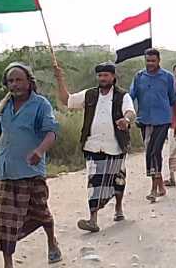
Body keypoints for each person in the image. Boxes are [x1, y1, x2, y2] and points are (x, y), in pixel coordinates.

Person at [0, 62, 62, 267]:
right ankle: (8, 262)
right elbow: (1, 135)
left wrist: (39, 150)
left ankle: (52, 242)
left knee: (41, 212)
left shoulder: (40, 104)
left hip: (31, 170)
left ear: (29, 82)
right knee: (5, 221)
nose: (14, 84)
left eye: (19, 80)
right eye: (10, 81)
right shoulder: (4, 106)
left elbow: (51, 132)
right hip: (6, 170)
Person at [54, 62, 136, 233]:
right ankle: (93, 220)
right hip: (93, 145)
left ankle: (118, 208)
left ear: (113, 77)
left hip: (115, 146)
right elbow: (66, 100)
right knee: (94, 183)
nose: (102, 79)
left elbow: (130, 112)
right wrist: (59, 79)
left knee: (118, 180)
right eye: (100, 76)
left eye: (106, 75)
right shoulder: (90, 95)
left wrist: (126, 121)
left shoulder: (122, 96)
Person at [130, 49, 176, 203]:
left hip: (162, 120)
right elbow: (130, 97)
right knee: (150, 151)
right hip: (145, 120)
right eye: (148, 61)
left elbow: (174, 101)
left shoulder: (167, 77)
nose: (150, 64)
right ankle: (161, 186)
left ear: (159, 61)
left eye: (153, 61)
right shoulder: (139, 77)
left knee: (154, 151)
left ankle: (153, 189)